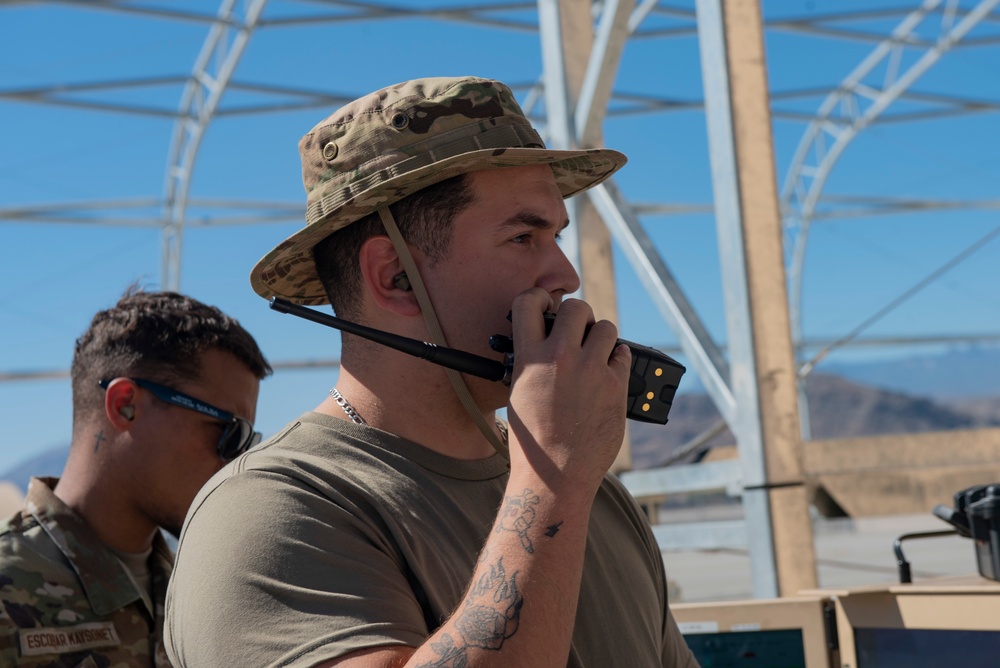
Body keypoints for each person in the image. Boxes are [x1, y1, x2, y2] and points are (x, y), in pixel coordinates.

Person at [165, 76, 698, 667]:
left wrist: (559, 478)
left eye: (556, 237)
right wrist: (552, 481)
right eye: (523, 237)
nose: (565, 276)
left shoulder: (595, 499)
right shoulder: (270, 514)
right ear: (393, 276)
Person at [0, 289, 272, 666]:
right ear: (124, 405)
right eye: (229, 433)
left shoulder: (201, 593)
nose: (236, 461)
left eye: (248, 440)